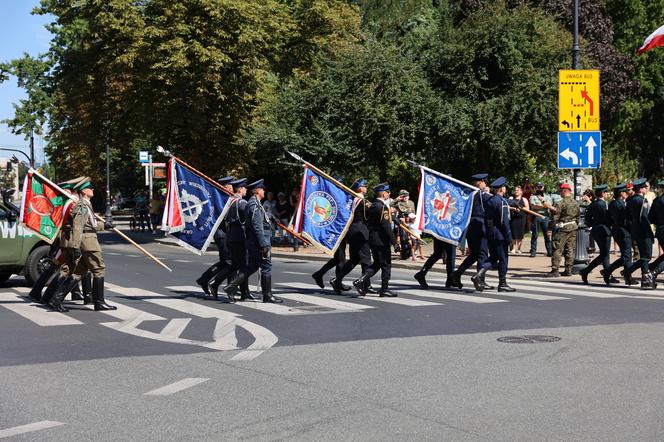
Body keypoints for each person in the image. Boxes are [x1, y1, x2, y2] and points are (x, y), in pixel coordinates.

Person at [48, 177, 117, 312]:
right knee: (99, 269)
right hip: (88, 241)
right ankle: (99, 302)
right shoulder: (82, 206)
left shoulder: (86, 204)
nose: (92, 189)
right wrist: (75, 247)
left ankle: (56, 299)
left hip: (87, 239)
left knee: (80, 272)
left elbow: (91, 224)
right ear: (84, 191)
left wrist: (105, 225)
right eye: (90, 187)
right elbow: (78, 227)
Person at [224, 179, 282, 303]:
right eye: (262, 189)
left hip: (255, 240)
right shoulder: (254, 204)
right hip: (259, 241)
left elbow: (260, 219)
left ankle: (232, 286)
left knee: (253, 266)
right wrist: (264, 244)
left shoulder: (254, 203)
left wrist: (271, 218)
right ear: (257, 191)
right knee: (266, 266)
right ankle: (267, 295)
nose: (264, 191)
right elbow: (257, 226)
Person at [210, 178, 259, 301]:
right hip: (239, 236)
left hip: (231, 235)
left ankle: (244, 292)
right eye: (245, 188)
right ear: (241, 189)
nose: (246, 190)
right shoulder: (241, 203)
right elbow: (251, 218)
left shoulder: (230, 202)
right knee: (243, 266)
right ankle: (224, 286)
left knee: (237, 265)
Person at [352, 183, 397, 297]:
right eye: (388, 192)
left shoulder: (373, 205)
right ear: (383, 193)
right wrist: (394, 242)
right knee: (386, 264)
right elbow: (386, 226)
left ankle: (361, 280)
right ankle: (384, 289)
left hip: (372, 239)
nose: (389, 194)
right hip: (381, 240)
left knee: (377, 264)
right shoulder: (382, 207)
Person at [471, 177, 515, 292]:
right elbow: (504, 222)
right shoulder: (501, 202)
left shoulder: (490, 201)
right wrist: (509, 237)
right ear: (502, 189)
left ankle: (479, 274)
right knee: (503, 259)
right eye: (504, 187)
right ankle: (502, 283)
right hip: (500, 235)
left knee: (493, 257)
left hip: (491, 234)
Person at [333, 178, 376, 296]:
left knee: (354, 260)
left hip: (352, 231)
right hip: (360, 231)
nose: (366, 188)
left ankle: (337, 280)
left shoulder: (352, 199)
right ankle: (366, 285)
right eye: (365, 186)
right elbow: (374, 210)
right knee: (366, 259)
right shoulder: (361, 200)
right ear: (360, 188)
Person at [451, 173, 491, 290]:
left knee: (474, 254)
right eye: (484, 182)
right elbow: (495, 202)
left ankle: (457, 273)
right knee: (483, 253)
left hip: (470, 226)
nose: (485, 184)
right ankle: (480, 279)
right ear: (480, 183)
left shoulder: (468, 194)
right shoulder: (480, 194)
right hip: (480, 226)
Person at [195, 176, 234, 296]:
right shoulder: (221, 200)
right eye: (230, 186)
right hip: (222, 234)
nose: (232, 188)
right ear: (226, 187)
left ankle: (204, 279)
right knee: (229, 262)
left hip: (223, 234)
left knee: (224, 262)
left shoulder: (222, 199)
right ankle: (217, 283)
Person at [624, 178, 657, 290]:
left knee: (643, 255)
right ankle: (628, 271)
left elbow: (627, 216)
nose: (646, 189)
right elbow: (645, 218)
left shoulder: (630, 200)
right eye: (645, 187)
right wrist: (650, 233)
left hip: (635, 230)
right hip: (644, 230)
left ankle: (645, 280)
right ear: (641, 188)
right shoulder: (642, 200)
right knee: (647, 256)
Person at [579, 185, 611, 284]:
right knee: (604, 254)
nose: (607, 194)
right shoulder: (603, 204)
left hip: (596, 229)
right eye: (606, 192)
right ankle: (587, 271)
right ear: (602, 193)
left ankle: (607, 274)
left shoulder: (593, 204)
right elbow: (607, 218)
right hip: (604, 230)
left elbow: (587, 220)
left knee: (604, 254)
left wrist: (594, 224)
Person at [547, 183, 579, 277]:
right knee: (570, 249)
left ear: (565, 191)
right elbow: (577, 216)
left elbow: (555, 218)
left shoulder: (560, 203)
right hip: (573, 227)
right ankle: (568, 270)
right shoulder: (575, 202)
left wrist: (550, 228)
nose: (559, 193)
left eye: (560, 191)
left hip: (563, 228)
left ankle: (555, 270)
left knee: (557, 248)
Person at [605, 183, 635, 285]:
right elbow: (625, 219)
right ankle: (608, 271)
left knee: (626, 254)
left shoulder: (612, 203)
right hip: (623, 231)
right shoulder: (620, 204)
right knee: (626, 256)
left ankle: (628, 277)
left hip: (617, 229)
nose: (627, 194)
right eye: (625, 192)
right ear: (621, 193)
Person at [529, 182, 553, 257]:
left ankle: (549, 252)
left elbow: (549, 206)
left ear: (543, 187)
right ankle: (533, 252)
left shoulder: (548, 196)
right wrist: (544, 205)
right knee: (535, 235)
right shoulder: (533, 197)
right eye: (538, 187)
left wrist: (543, 204)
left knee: (547, 235)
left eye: (541, 187)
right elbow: (533, 206)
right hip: (536, 216)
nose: (539, 188)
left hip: (545, 217)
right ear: (536, 188)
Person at [648, 179, 664, 281]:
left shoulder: (656, 200)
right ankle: (654, 272)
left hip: (660, 230)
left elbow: (651, 218)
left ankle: (651, 267)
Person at [507, 185, 529, 253]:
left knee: (520, 233)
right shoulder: (511, 198)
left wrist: (520, 208)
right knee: (513, 233)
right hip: (513, 218)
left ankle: (519, 248)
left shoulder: (524, 199)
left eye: (518, 190)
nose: (516, 191)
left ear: (521, 192)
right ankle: (513, 248)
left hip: (522, 219)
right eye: (515, 190)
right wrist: (513, 208)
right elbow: (507, 206)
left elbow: (527, 208)